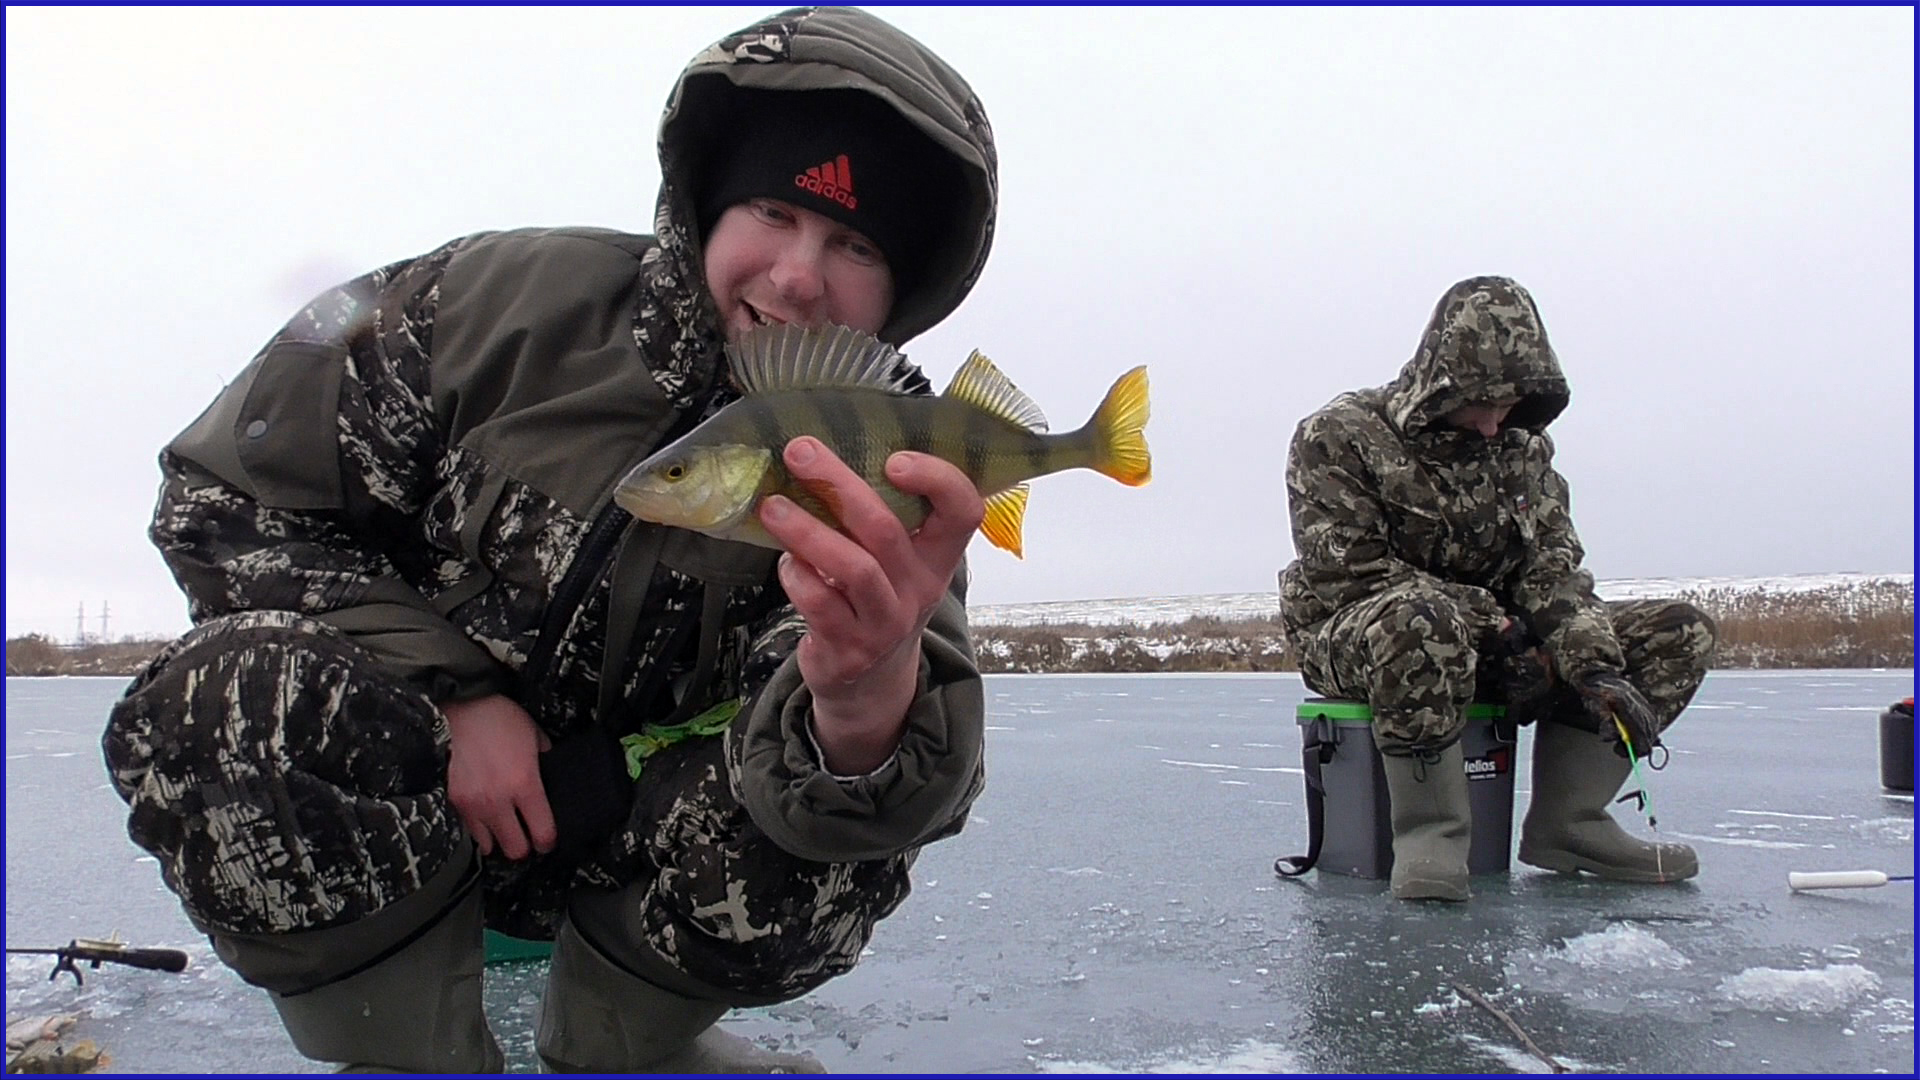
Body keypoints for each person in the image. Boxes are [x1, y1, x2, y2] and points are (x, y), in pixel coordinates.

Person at [100, 6, 998, 1072]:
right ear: (706, 204)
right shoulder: (486, 298)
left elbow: (895, 787)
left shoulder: (891, 470)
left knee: (846, 822)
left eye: (853, 245)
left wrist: (863, 709)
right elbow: (223, 493)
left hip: (636, 860)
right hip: (413, 806)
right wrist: (451, 691)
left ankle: (627, 1042)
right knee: (226, 694)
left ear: (900, 292)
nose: (799, 277)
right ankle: (404, 1049)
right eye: (772, 210)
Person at [1277, 276, 1718, 903]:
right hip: (1368, 637)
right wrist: (1502, 632)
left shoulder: (1522, 449)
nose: (1493, 423)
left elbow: (1553, 569)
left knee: (1680, 630)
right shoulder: (1339, 436)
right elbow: (1349, 572)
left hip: (1497, 648)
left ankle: (1571, 824)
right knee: (1421, 618)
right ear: (1441, 381)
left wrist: (1591, 666)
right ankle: (1431, 837)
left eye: (1510, 405)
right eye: (1482, 402)